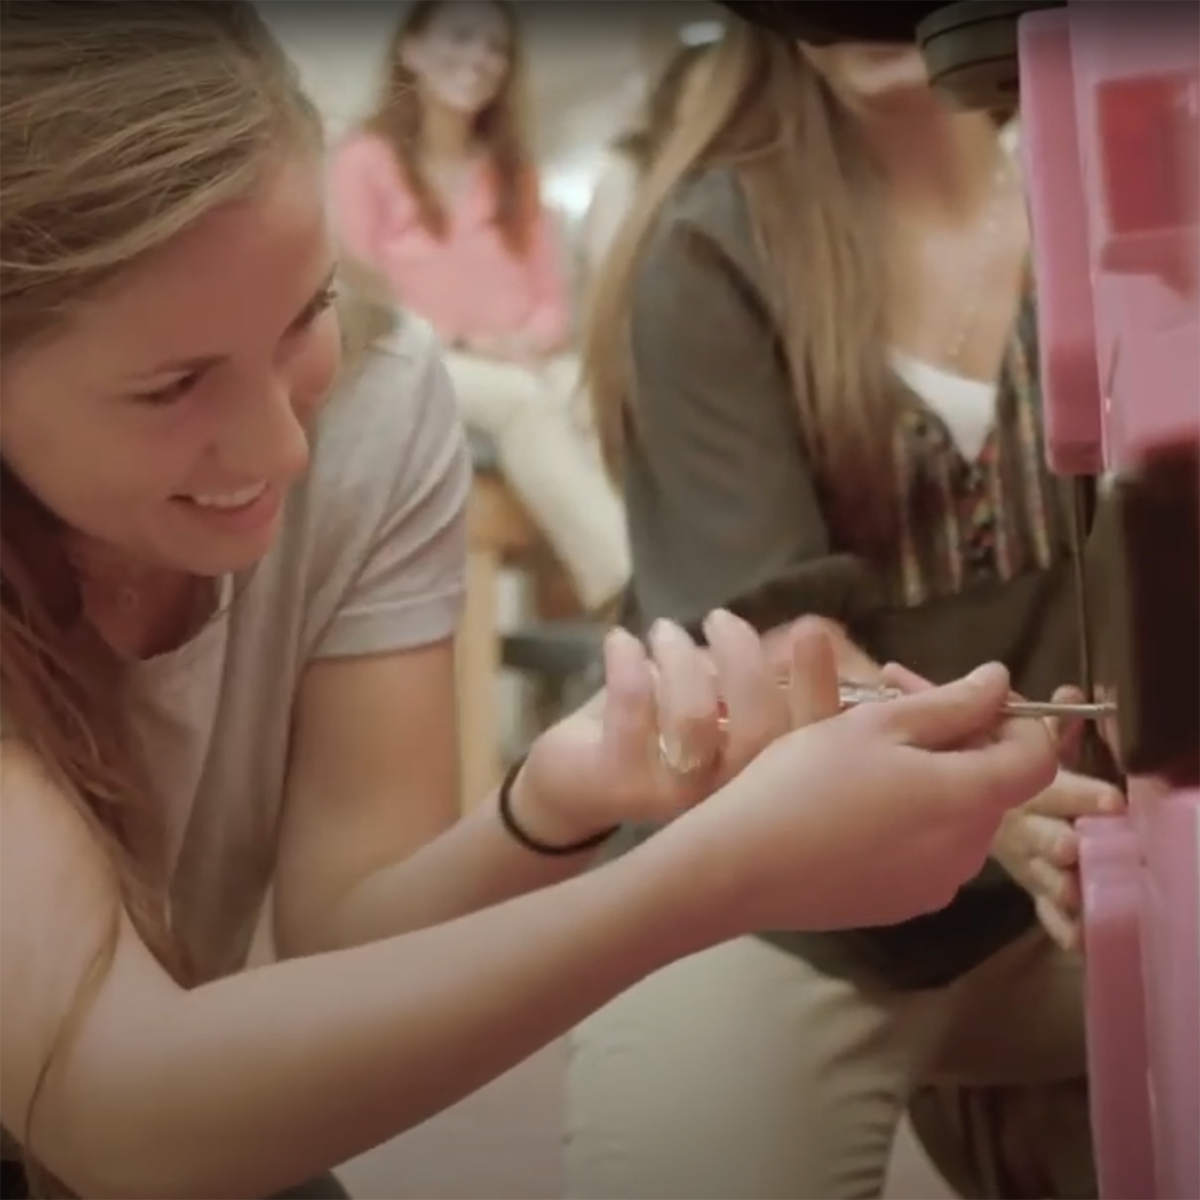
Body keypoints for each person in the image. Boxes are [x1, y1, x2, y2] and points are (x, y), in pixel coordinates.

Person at [0, 4, 1062, 1199]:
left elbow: (350, 946)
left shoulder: (377, 409)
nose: (283, 451)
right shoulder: (710, 248)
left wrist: (545, 807)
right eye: (171, 387)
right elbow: (113, 1116)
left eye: (308, 313)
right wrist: (711, 877)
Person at [570, 15, 1121, 1200]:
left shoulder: (1117, 190)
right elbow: (769, 641)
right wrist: (993, 791)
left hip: (1077, 886)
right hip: (795, 905)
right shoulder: (710, 246)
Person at [327, 0, 628, 613]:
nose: (480, 59)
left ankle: (600, 602)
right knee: (524, 403)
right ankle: (630, 586)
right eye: (461, 38)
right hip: (409, 355)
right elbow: (360, 295)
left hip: (520, 358)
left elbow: (551, 304)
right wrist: (468, 340)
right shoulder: (365, 159)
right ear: (411, 48)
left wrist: (525, 341)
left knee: (595, 392)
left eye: (495, 48)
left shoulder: (515, 175)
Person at [580, 35, 716, 281]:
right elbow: (607, 264)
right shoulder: (629, 166)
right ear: (674, 98)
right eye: (697, 92)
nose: (708, 109)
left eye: (719, 97)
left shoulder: (725, 177)